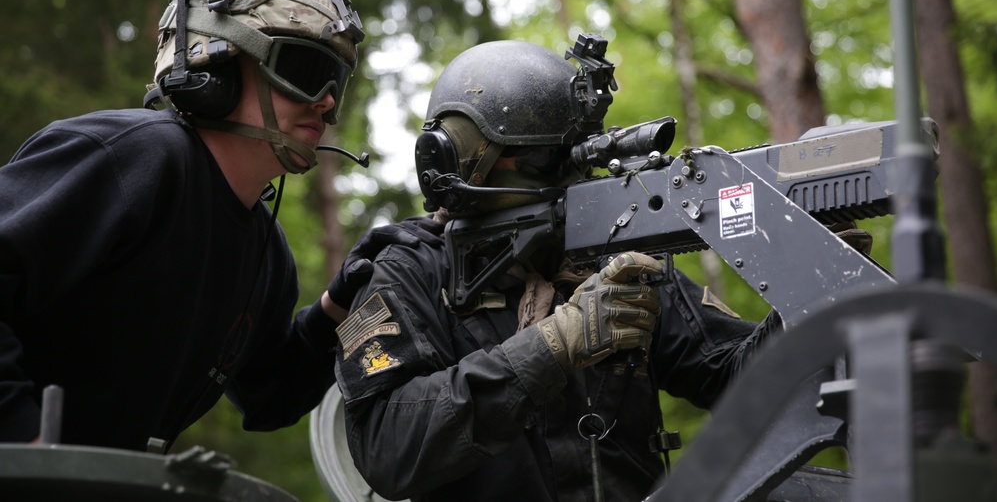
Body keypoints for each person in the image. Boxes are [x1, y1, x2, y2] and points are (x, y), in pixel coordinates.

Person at [331, 38, 788, 502]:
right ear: (462, 160)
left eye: (574, 158)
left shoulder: (613, 257)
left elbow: (741, 377)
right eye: (543, 161)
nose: (567, 183)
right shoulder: (409, 272)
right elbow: (384, 449)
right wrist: (553, 345)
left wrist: (813, 289)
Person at [0, 0, 377, 452]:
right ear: (214, 65)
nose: (326, 103)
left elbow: (270, 397)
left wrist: (340, 304)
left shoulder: (266, 249)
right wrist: (29, 445)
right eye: (305, 71)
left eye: (335, 84)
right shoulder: (136, 158)